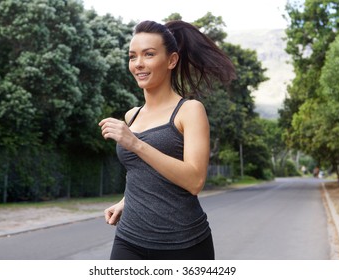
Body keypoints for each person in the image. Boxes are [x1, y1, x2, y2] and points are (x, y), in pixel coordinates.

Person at [99, 20, 236, 260]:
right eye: (133, 57)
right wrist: (125, 201)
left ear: (171, 60)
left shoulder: (189, 110)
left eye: (149, 54)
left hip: (184, 244)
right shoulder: (133, 115)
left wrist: (136, 144)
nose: (138, 64)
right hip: (129, 239)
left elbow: (194, 180)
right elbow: (142, 172)